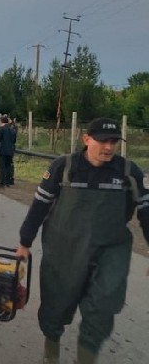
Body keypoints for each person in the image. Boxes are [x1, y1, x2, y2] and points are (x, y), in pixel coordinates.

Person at [15, 117, 149, 364]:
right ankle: (51, 350)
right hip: (64, 248)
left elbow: (146, 211)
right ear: (86, 139)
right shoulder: (64, 167)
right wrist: (25, 242)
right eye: (103, 141)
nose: (109, 147)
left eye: (114, 142)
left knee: (103, 304)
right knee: (56, 301)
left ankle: (86, 358)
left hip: (111, 250)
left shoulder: (129, 172)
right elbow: (40, 205)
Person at [0, 115, 16, 187]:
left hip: (2, 150)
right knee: (8, 166)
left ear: (1, 121)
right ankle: (8, 182)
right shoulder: (12, 130)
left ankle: (1, 182)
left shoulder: (1, 129)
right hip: (10, 150)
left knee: (1, 167)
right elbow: (14, 141)